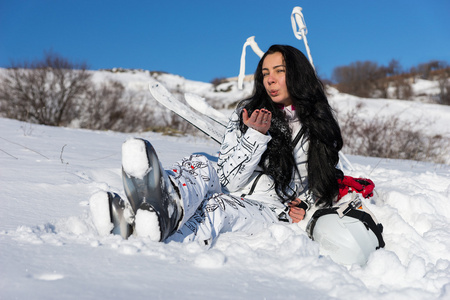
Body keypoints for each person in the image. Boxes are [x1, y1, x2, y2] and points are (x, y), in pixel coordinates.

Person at [90, 44, 344, 244]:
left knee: (215, 207)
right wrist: (254, 135)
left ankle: (136, 228)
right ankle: (163, 205)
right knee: (200, 163)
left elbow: (322, 183)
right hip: (234, 183)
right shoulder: (248, 111)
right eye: (265, 73)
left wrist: (305, 204)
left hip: (268, 207)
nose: (270, 80)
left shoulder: (316, 127)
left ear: (297, 74)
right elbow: (229, 178)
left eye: (279, 71)